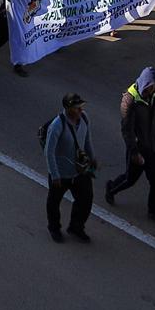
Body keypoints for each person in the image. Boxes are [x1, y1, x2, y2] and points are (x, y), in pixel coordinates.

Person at [105, 66, 155, 223]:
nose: (151, 90)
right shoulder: (130, 100)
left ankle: (154, 211)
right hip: (139, 148)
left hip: (154, 146)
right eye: (149, 87)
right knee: (130, 179)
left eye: (153, 87)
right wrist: (134, 153)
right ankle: (111, 188)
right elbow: (127, 130)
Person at [42, 93, 97, 243]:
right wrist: (55, 175)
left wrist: (92, 159)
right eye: (76, 107)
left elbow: (87, 139)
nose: (80, 110)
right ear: (68, 109)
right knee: (54, 202)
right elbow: (49, 152)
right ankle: (54, 228)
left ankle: (76, 226)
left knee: (86, 198)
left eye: (81, 106)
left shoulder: (84, 118)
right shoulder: (57, 126)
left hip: (79, 171)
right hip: (61, 173)